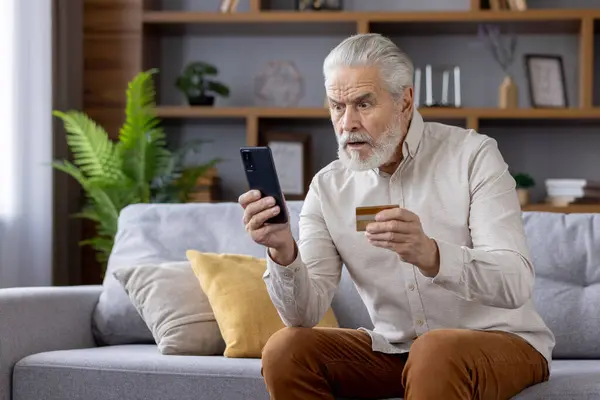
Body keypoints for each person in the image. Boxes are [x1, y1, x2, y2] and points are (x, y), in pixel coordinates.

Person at [238, 33, 555, 400]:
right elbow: (303, 315)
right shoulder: (327, 188)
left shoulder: (472, 156)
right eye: (337, 107)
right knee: (286, 351)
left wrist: (433, 255)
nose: (347, 123)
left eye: (363, 104)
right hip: (398, 350)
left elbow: (515, 282)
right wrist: (282, 252)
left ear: (405, 101)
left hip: (504, 342)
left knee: (435, 350)